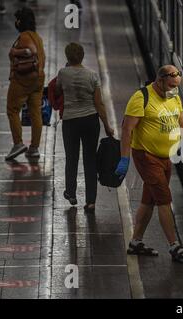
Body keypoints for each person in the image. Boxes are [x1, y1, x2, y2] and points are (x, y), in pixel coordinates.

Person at [116, 65, 183, 262]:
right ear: (159, 81)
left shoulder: (174, 97)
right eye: (170, 86)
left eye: (176, 87)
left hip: (165, 157)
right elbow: (127, 130)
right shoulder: (141, 98)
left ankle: (136, 242)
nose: (173, 90)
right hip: (146, 156)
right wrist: (124, 159)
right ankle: (173, 246)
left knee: (148, 200)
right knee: (164, 199)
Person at [55, 42, 114, 213]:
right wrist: (107, 126)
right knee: (90, 160)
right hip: (90, 121)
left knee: (71, 158)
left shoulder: (63, 73)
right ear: (82, 56)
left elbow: (58, 91)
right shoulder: (92, 75)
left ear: (67, 57)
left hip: (70, 122)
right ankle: (91, 201)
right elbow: (99, 104)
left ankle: (71, 193)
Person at [6, 7, 45, 161]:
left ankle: (18, 143)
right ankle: (34, 148)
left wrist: (15, 53)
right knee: (36, 112)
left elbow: (30, 52)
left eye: (17, 19)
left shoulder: (24, 36)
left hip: (23, 79)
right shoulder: (37, 36)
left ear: (20, 21)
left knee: (12, 109)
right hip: (38, 80)